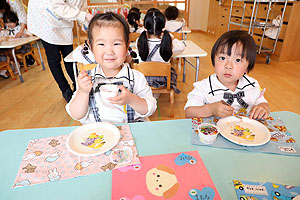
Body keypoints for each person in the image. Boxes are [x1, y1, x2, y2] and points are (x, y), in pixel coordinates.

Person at [66, 12, 157, 124]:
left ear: (127, 45)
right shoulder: (88, 79)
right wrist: (83, 92)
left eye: (117, 44)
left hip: (131, 134)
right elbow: (76, 114)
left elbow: (150, 108)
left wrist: (131, 99)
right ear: (91, 47)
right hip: (98, 136)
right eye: (101, 44)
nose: (109, 52)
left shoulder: (136, 77)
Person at [185, 30, 270, 120]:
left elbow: (262, 102)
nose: (228, 66)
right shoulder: (203, 87)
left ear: (247, 68)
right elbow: (189, 112)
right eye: (222, 58)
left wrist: (263, 107)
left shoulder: (252, 85)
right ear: (214, 60)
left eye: (237, 60)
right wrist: (210, 109)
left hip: (245, 131)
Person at [27, 0, 93, 102]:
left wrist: (88, 25)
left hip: (62, 18)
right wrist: (84, 16)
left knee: (69, 56)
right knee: (54, 58)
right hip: (45, 16)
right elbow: (57, 6)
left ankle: (77, 84)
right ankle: (65, 89)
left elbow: (81, 7)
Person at [137, 10, 184, 94]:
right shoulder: (168, 43)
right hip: (163, 80)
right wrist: (171, 37)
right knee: (172, 70)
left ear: (145, 27)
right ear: (163, 27)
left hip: (144, 80)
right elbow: (181, 47)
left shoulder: (139, 42)